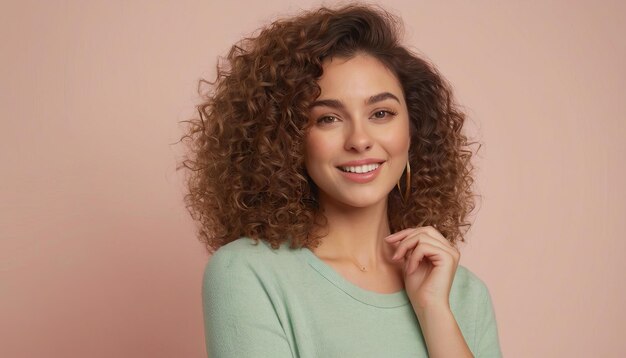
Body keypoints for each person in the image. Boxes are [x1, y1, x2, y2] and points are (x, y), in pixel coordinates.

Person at [181, 4, 502, 357]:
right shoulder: (246, 273)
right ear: (286, 139)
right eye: (328, 118)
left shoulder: (463, 294)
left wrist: (434, 312)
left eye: (381, 113)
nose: (360, 140)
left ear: (413, 129)